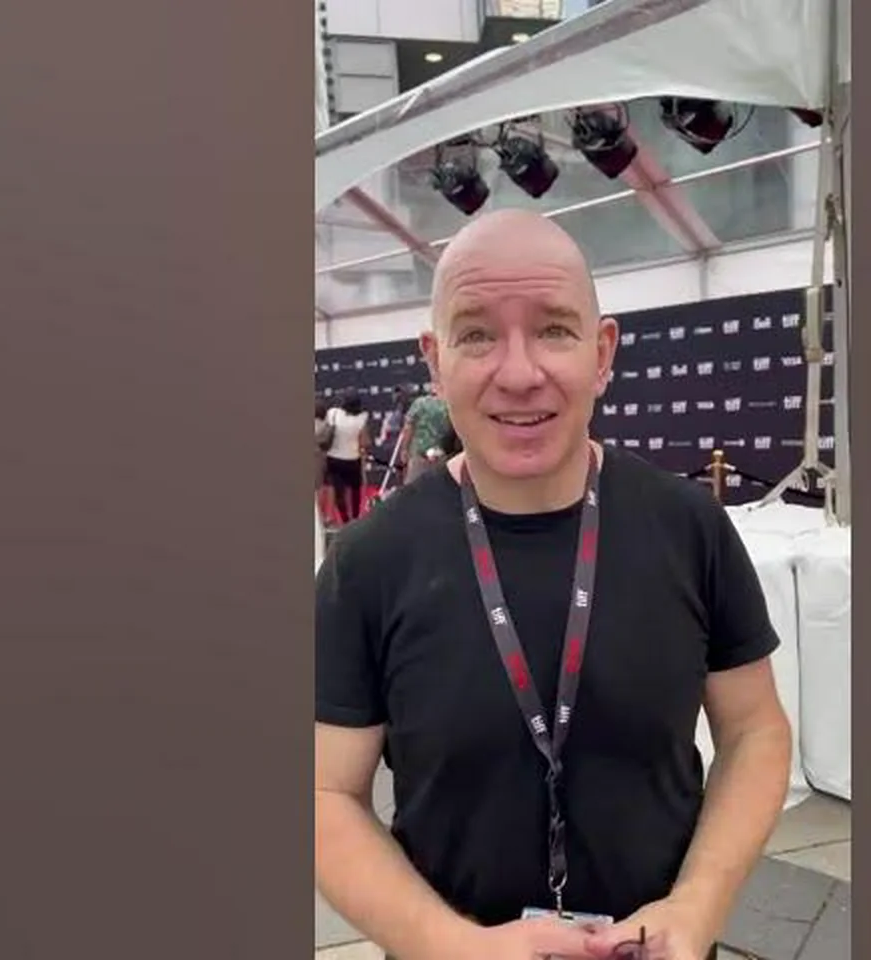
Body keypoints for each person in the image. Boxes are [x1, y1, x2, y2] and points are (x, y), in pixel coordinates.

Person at [315, 209, 791, 960]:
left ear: (602, 353)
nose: (519, 373)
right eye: (477, 335)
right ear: (435, 360)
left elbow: (755, 731)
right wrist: (453, 947)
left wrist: (697, 908)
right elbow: (325, 794)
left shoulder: (689, 527)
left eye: (554, 330)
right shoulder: (368, 560)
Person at [325, 393, 369, 525]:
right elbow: (364, 442)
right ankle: (355, 517)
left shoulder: (333, 413)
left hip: (333, 458)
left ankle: (345, 520)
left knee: (339, 491)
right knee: (355, 490)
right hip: (353, 459)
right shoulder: (362, 418)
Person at [397, 383, 453, 484]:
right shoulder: (449, 405)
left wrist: (404, 449)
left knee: (413, 487)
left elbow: (408, 427)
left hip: (419, 454)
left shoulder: (419, 403)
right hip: (442, 454)